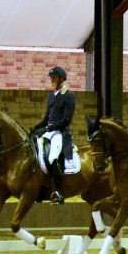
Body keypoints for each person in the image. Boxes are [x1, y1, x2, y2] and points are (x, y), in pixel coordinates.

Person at [31, 66, 76, 205]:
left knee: (52, 158)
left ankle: (58, 191)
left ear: (62, 79)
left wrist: (48, 128)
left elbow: (66, 119)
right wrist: (35, 128)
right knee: (36, 156)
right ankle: (42, 187)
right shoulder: (51, 96)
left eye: (54, 78)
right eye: (51, 78)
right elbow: (46, 118)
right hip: (48, 131)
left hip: (59, 133)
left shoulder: (68, 95)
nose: (52, 80)